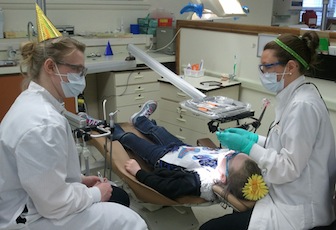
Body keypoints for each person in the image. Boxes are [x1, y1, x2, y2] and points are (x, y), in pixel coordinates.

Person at [0, 36, 148, 230]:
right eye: (77, 69)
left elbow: (41, 172)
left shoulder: (31, 101)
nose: (81, 76)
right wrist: (96, 194)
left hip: (34, 199)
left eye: (82, 70)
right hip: (29, 218)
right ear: (50, 66)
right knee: (129, 221)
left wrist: (78, 179)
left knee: (118, 195)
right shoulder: (43, 125)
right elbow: (54, 204)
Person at [201, 31, 336, 230]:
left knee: (210, 229)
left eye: (267, 67)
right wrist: (256, 139)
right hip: (288, 196)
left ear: (291, 66)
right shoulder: (298, 95)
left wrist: (248, 147)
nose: (263, 73)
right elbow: (288, 145)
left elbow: (287, 168)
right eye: (261, 67)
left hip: (298, 211)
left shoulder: (302, 106)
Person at [112, 100, 268, 204]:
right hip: (181, 148)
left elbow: (164, 186)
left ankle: (110, 129)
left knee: (129, 138)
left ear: (222, 177)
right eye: (234, 152)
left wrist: (138, 172)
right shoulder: (228, 165)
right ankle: (140, 120)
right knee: (156, 129)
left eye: (231, 157)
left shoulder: (199, 181)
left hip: (162, 158)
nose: (229, 153)